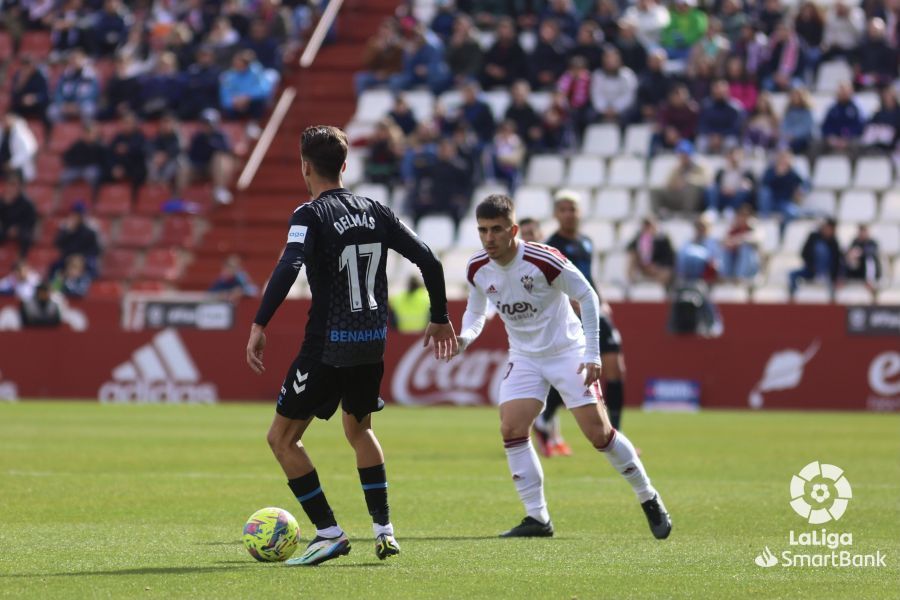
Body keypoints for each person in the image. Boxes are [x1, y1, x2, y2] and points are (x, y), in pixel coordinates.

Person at [245, 125, 457, 566]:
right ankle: (385, 531)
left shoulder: (309, 215)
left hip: (327, 345)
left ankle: (329, 533)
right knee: (360, 431)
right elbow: (429, 259)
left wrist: (260, 322)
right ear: (344, 165)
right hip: (371, 343)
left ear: (305, 166)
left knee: (282, 439)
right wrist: (440, 317)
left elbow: (290, 265)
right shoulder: (376, 210)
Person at [451, 194, 671, 539]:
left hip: (567, 351)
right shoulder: (477, 267)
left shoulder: (543, 258)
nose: (489, 238)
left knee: (599, 435)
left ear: (514, 229)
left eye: (496, 229)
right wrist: (465, 337)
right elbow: (477, 310)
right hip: (524, 356)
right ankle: (537, 518)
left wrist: (593, 354)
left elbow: (588, 295)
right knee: (511, 428)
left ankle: (648, 496)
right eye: (482, 230)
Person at [789, 217, 842, 297]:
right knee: (792, 274)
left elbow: (837, 261)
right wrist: (812, 266)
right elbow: (804, 253)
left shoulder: (834, 242)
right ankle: (793, 297)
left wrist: (836, 276)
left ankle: (830, 293)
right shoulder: (813, 237)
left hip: (827, 273)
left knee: (821, 248)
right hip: (811, 270)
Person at [0, 174, 37, 259]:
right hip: (4, 228)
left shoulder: (27, 204)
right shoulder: (2, 200)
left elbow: (30, 221)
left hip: (21, 229)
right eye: (10, 184)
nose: (11, 188)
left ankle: (21, 260)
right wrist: (4, 204)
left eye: (14, 185)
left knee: (26, 236)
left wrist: (18, 228)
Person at [844, 224, 881, 292]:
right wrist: (852, 254)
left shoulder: (872, 242)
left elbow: (871, 252)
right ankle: (845, 279)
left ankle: (870, 281)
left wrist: (860, 253)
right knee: (849, 259)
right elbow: (849, 251)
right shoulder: (855, 242)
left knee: (869, 259)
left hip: (868, 270)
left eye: (864, 232)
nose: (862, 234)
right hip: (858, 269)